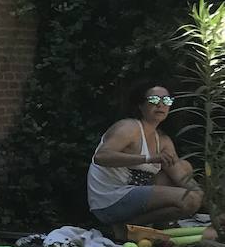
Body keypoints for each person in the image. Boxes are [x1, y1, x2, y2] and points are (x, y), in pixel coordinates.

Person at [87, 80, 203, 231]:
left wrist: (203, 196)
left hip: (136, 195)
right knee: (189, 200)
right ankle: (126, 228)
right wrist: (148, 158)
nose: (160, 105)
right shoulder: (128, 128)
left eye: (166, 100)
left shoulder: (163, 140)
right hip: (110, 200)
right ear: (141, 106)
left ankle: (150, 227)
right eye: (154, 100)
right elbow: (100, 157)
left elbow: (181, 177)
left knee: (184, 168)